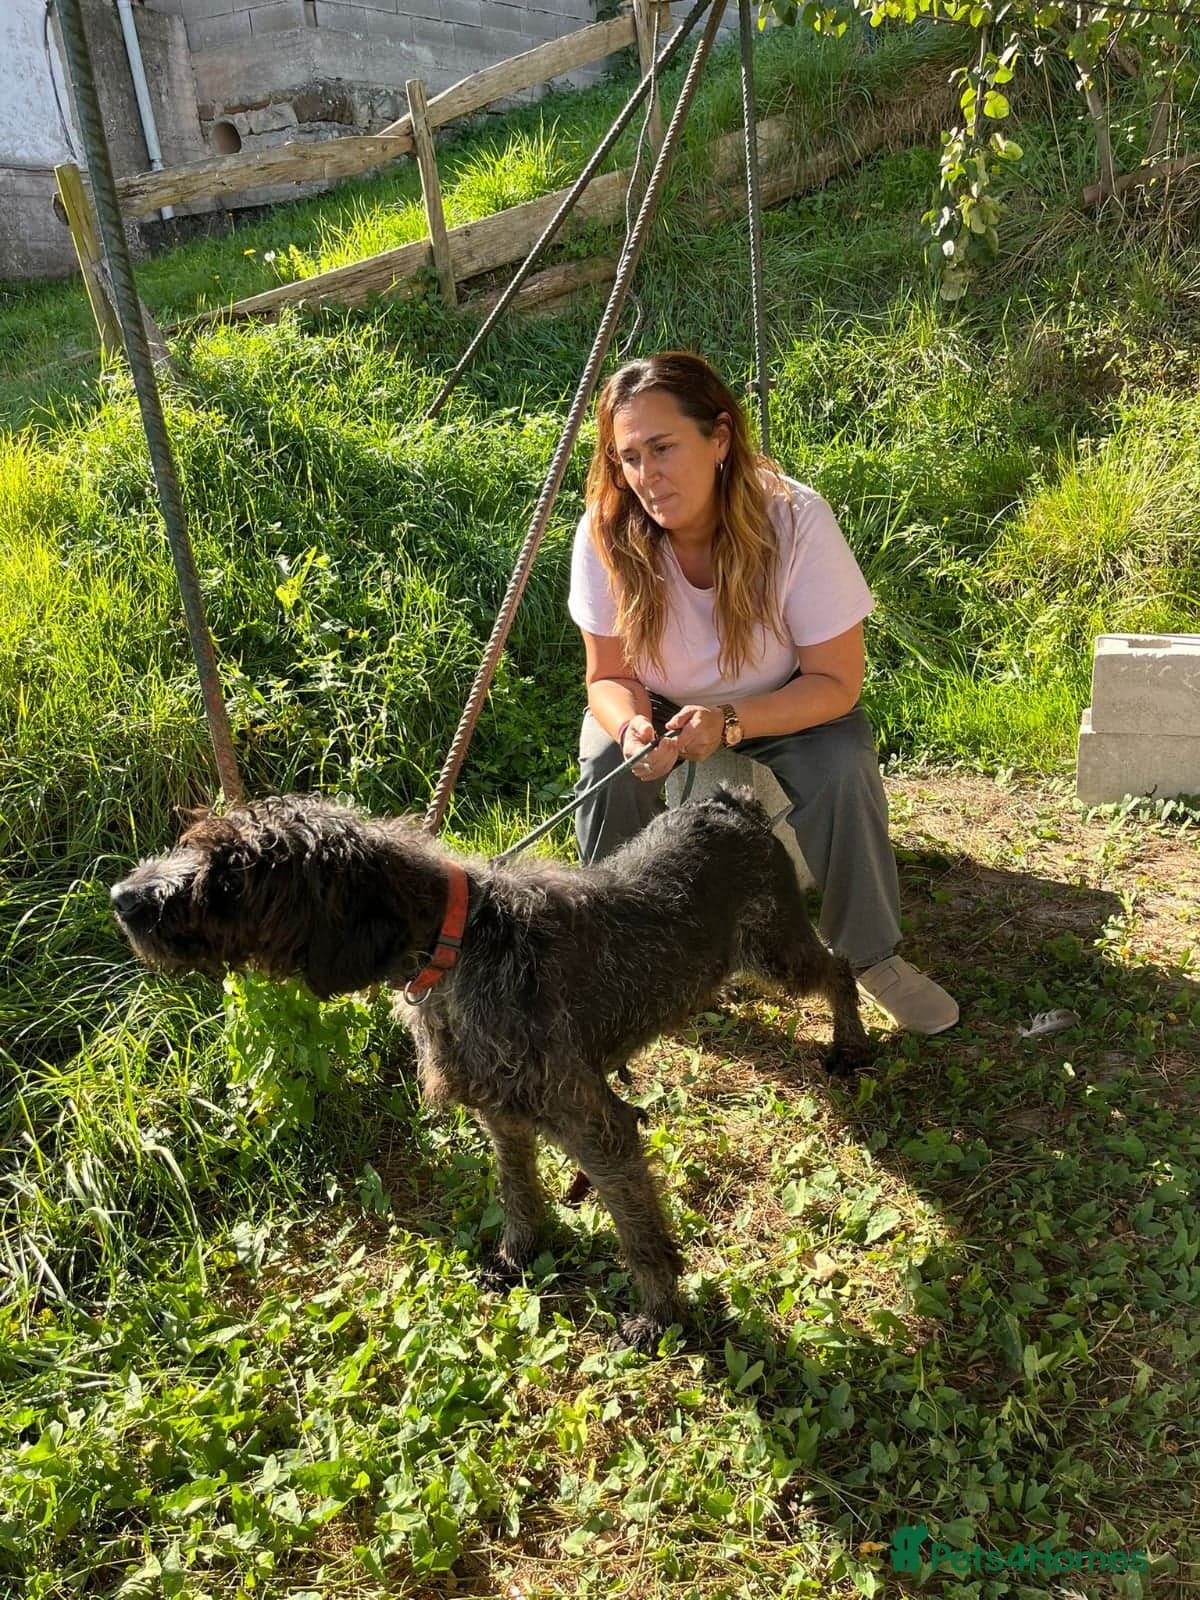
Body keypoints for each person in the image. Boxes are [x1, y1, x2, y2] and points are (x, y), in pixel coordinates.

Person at [567, 350, 958, 1035]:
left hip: (786, 698)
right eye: (628, 457)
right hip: (656, 704)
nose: (645, 476)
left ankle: (872, 956)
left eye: (663, 447)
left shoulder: (794, 519)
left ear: (719, 439)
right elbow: (607, 677)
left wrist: (731, 721)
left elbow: (837, 682)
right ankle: (612, 951)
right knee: (607, 764)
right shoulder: (607, 530)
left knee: (840, 769)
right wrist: (632, 726)